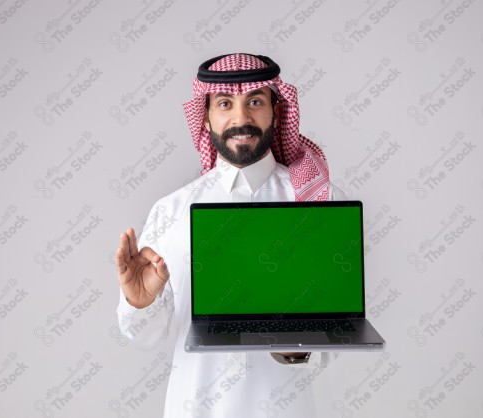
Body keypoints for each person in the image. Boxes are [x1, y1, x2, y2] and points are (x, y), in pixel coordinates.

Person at [115, 53, 339, 417]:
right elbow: (144, 337)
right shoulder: (171, 212)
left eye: (255, 102)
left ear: (277, 111)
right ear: (205, 116)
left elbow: (342, 326)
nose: (241, 118)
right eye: (224, 104)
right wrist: (139, 301)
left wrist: (300, 346)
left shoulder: (317, 202)